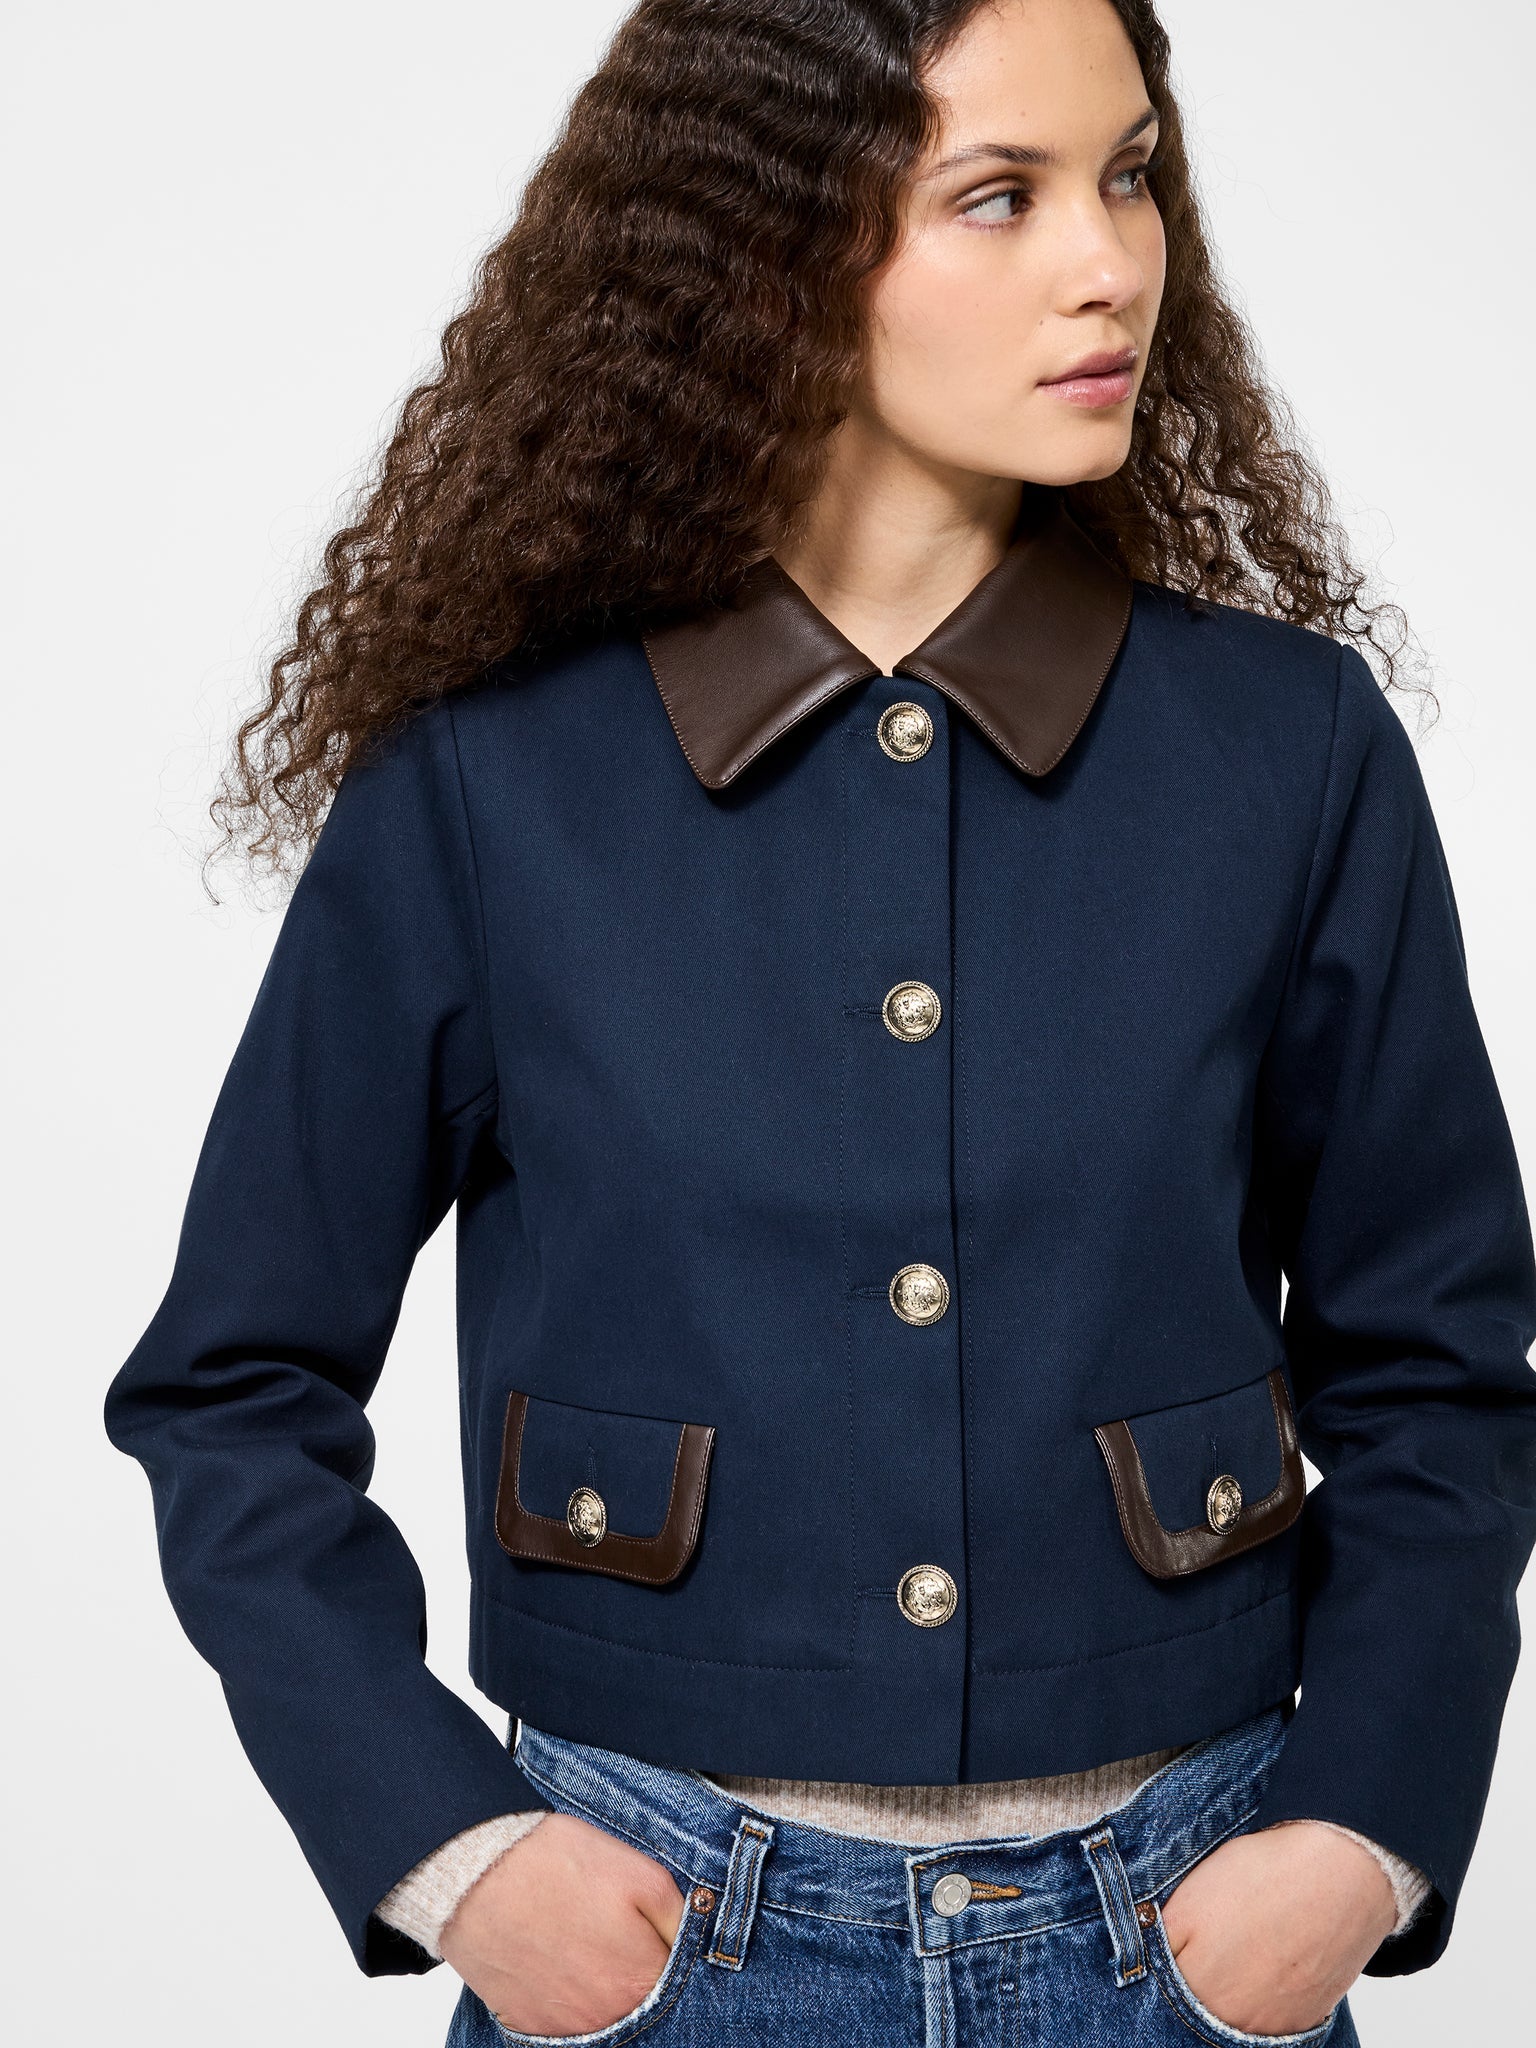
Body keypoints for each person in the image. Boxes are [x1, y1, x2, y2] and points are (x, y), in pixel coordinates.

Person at [103, 2, 1536, 2043]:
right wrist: (447, 1851)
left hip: (1189, 1933)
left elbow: (1440, 1369)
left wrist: (1363, 1832)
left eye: (1130, 174)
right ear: (771, 245)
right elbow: (233, 1386)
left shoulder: (1285, 752)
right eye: (1000, 195)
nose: (1111, 262)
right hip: (658, 1945)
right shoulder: (492, 786)